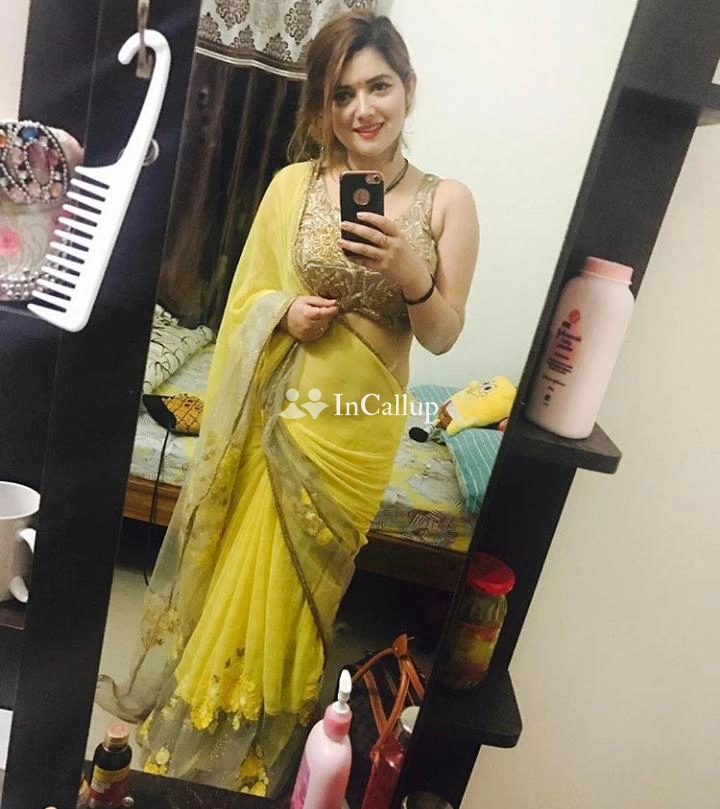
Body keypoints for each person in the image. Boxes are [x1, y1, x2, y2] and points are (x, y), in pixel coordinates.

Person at [96, 10, 478, 797]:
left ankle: (268, 733)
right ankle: (209, 732)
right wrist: (285, 313)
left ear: (409, 87)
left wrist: (412, 273)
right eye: (341, 94)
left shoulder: (448, 202)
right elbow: (247, 298)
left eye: (378, 86)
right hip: (285, 416)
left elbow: (442, 337)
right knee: (246, 577)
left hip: (357, 436)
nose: (362, 109)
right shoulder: (292, 187)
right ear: (321, 108)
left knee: (310, 594)